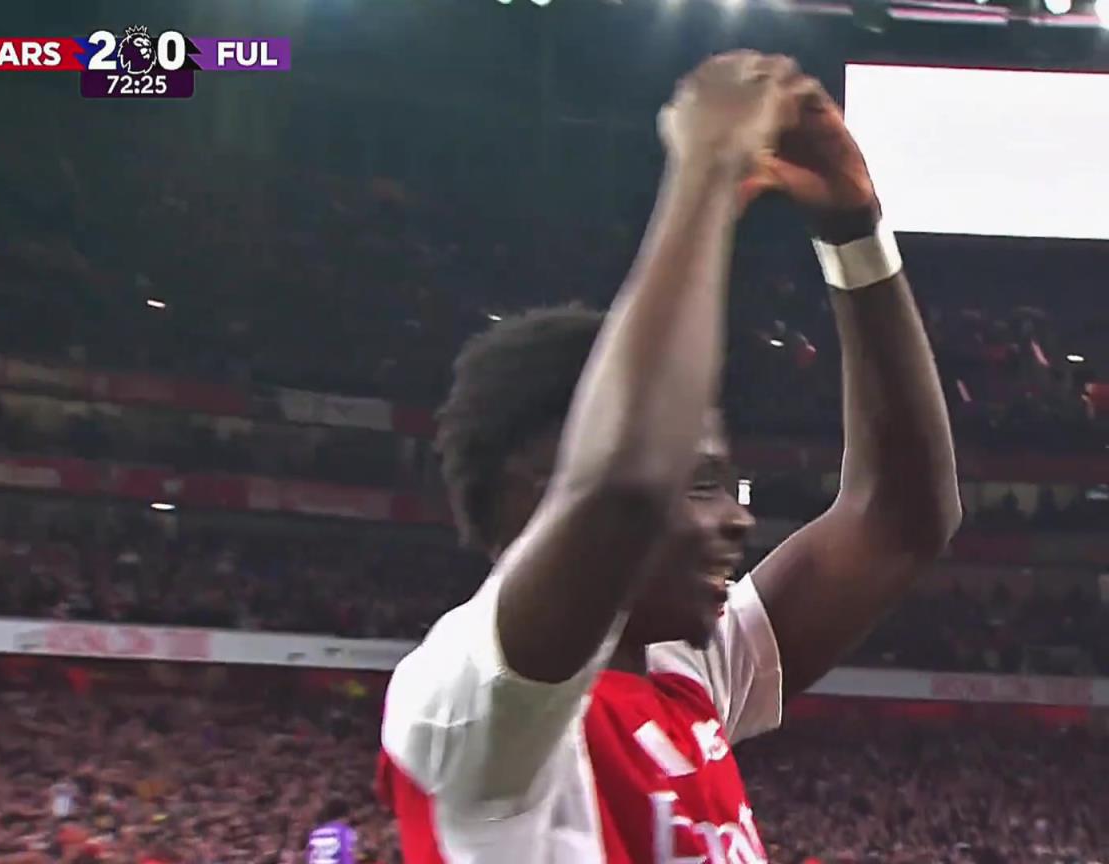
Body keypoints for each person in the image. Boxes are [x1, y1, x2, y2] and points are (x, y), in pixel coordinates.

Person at [379, 51, 960, 864]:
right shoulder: (468, 699)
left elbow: (901, 519)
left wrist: (854, 232)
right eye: (701, 484)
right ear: (541, 491)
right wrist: (708, 168)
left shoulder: (685, 668)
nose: (738, 519)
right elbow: (624, 485)